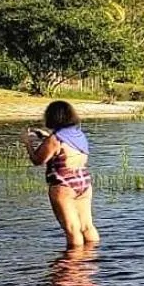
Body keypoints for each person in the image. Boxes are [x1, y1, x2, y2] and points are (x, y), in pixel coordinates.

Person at [24, 101, 100, 247]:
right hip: (83, 182)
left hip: (63, 184)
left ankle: (72, 266)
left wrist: (27, 143)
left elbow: (37, 160)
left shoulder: (55, 139)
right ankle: (92, 261)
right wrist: (46, 137)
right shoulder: (79, 135)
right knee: (87, 226)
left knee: (72, 229)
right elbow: (66, 145)